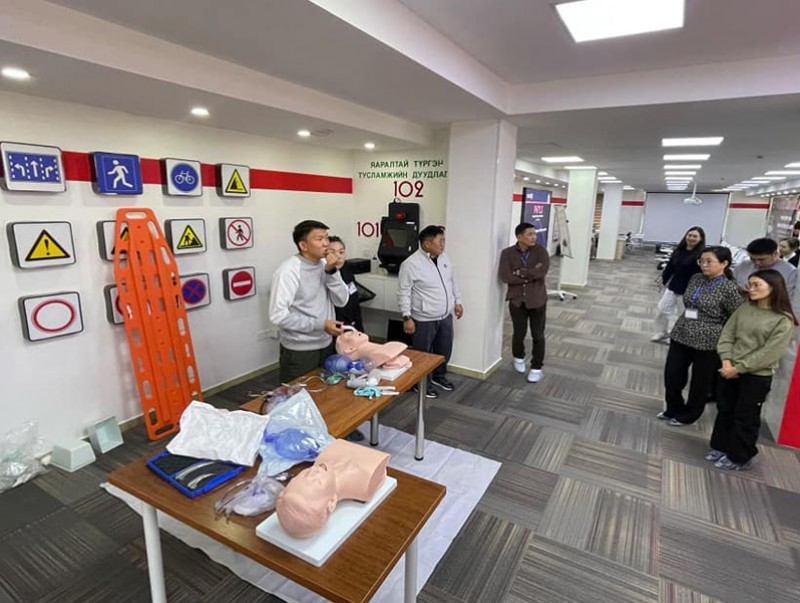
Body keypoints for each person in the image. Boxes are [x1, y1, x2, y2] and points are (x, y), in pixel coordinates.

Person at [707, 269, 797, 470]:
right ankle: (721, 446)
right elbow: (727, 335)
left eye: (757, 285)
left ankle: (740, 456)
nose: (751, 289)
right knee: (725, 410)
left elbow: (769, 353)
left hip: (755, 375)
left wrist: (739, 368)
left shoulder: (783, 319)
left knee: (745, 417)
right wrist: (726, 360)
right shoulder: (745, 307)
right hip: (729, 368)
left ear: (773, 288)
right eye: (750, 284)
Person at [659, 246, 744, 426]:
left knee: (700, 382)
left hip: (708, 341)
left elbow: (735, 317)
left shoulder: (729, 288)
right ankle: (673, 408)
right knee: (672, 375)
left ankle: (689, 415)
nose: (704, 265)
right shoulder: (696, 278)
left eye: (709, 262)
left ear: (724, 263)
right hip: (682, 332)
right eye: (701, 261)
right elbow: (689, 302)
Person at [269, 220, 349, 384]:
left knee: (326, 391)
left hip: (326, 343)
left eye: (326, 238)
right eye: (319, 239)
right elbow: (278, 316)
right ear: (303, 245)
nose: (326, 243)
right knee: (297, 394)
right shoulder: (288, 270)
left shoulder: (326, 265)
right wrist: (321, 324)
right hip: (300, 349)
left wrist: (331, 272)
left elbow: (342, 301)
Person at [275, 439, 390, 538]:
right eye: (317, 481)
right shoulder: (367, 480)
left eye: (303, 474)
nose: (313, 470)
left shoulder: (322, 460)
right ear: (332, 502)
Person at [397, 225, 463, 398]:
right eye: (440, 241)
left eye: (443, 241)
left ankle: (439, 377)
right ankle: (420, 383)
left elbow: (452, 281)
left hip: (445, 315)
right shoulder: (411, 264)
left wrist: (458, 302)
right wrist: (406, 317)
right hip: (423, 318)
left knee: (444, 350)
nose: (443, 245)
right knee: (422, 354)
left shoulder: (444, 258)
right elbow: (403, 292)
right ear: (427, 244)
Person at [498, 222, 550, 383]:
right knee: (518, 333)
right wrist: (530, 275)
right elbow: (505, 276)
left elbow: (541, 272)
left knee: (538, 335)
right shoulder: (507, 253)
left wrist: (521, 272)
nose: (534, 237)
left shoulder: (541, 252)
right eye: (530, 234)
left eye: (534, 234)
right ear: (519, 237)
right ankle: (518, 357)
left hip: (537, 299)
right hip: (517, 300)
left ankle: (536, 367)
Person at [651, 226, 705, 343]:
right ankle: (662, 332)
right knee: (662, 310)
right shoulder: (679, 250)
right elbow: (670, 267)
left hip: (690, 290)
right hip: (673, 286)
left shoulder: (701, 255)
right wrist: (664, 281)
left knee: (686, 315)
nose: (691, 238)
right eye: (689, 235)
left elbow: (703, 274)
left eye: (695, 236)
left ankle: (677, 337)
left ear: (700, 239)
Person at [328, 236, 365, 332]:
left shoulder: (347, 271)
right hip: (334, 328)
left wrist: (359, 330)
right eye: (332, 252)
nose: (338, 257)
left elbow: (355, 302)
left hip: (352, 325)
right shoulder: (326, 276)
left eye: (341, 252)